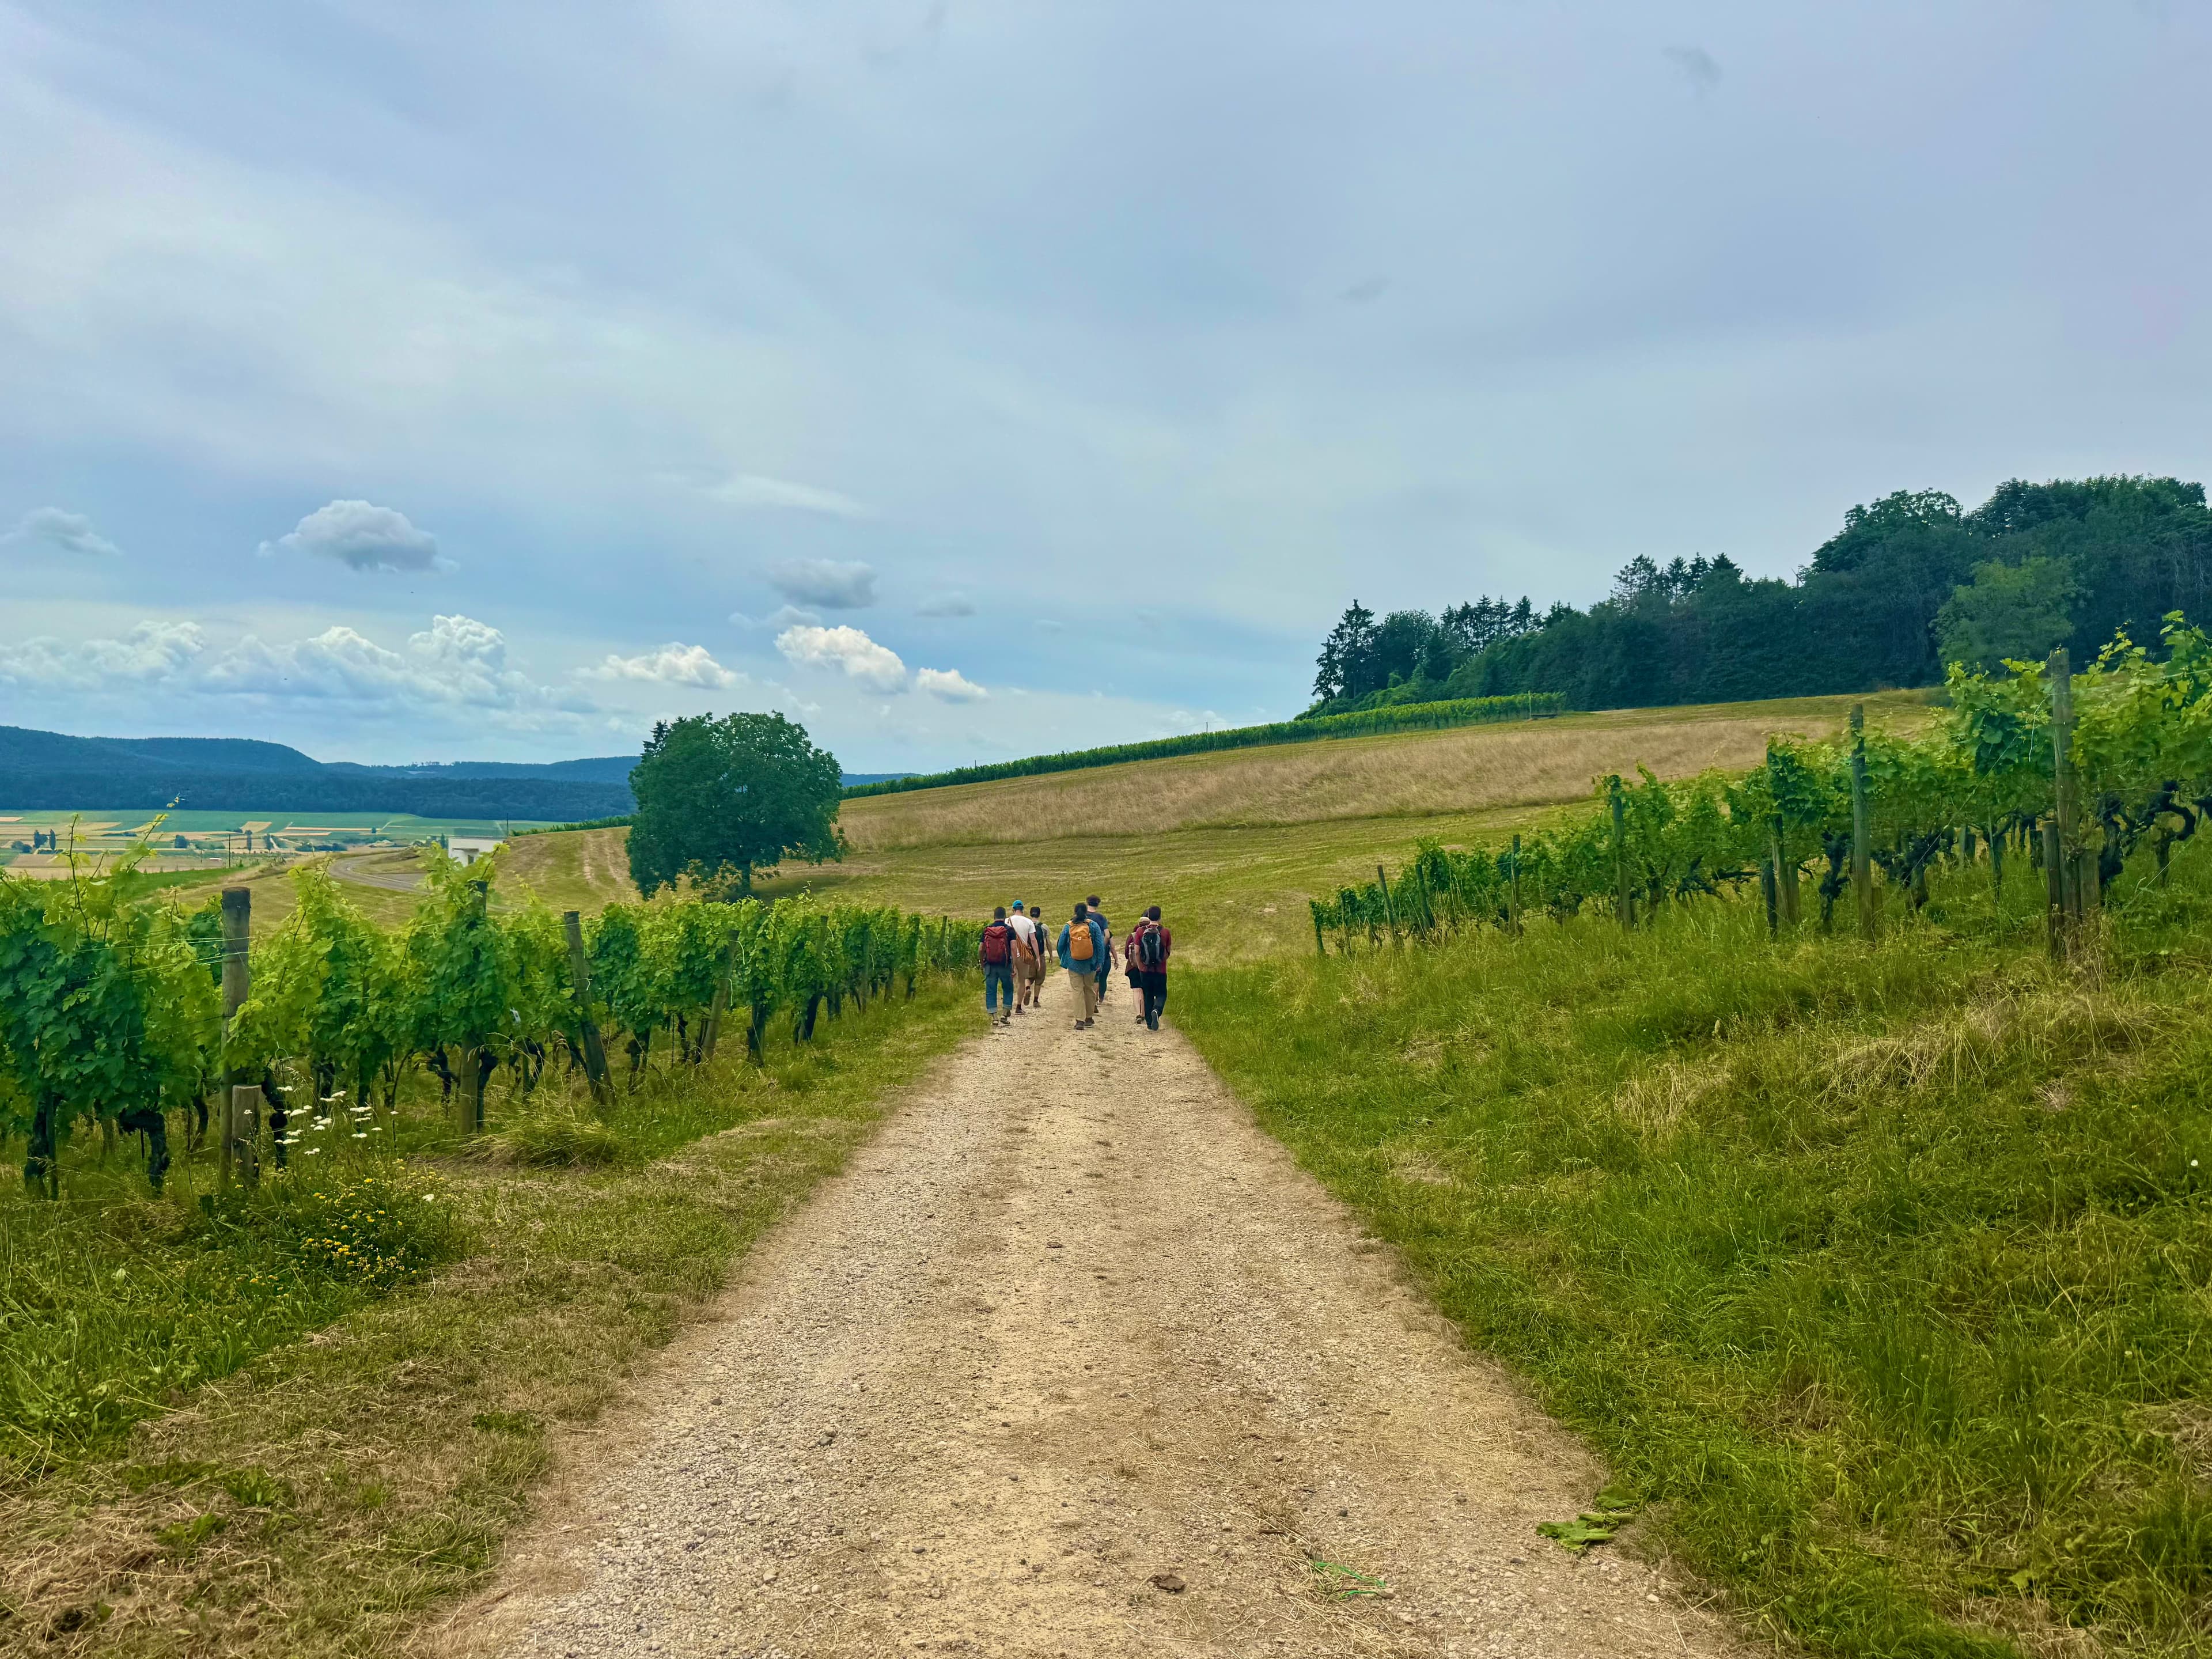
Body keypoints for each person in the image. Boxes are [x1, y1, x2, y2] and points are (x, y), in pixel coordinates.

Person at [1056, 901, 1108, 1029]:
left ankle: (1080, 1020)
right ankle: (1089, 1017)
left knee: (1077, 990)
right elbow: (1100, 946)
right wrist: (1100, 962)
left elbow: (1060, 945)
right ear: (1086, 912)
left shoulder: (1068, 926)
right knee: (1089, 989)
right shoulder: (1093, 925)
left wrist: (1064, 958)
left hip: (1073, 962)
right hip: (1091, 963)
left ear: (1075, 912)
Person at [1132, 905, 1172, 1031]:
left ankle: (1150, 1023)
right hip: (1160, 970)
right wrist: (1161, 961)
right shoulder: (1165, 932)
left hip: (1145, 970)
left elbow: (1137, 952)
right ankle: (1157, 1010)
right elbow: (1168, 952)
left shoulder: (1140, 932)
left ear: (1148, 916)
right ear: (1160, 917)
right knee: (1161, 994)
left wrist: (1141, 966)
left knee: (1148, 995)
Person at [979, 906, 1017, 1025]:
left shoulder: (987, 930)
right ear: (1005, 916)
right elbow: (1013, 948)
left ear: (994, 916)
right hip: (1005, 964)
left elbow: (981, 948)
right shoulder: (1009, 930)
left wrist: (982, 963)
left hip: (990, 965)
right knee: (1008, 988)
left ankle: (994, 1018)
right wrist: (1015, 966)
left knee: (991, 990)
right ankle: (1004, 1014)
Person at [1006, 902, 1040, 1017]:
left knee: (1009, 982)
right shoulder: (1028, 922)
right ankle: (1019, 1007)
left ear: (1013, 909)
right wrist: (1038, 957)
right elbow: (1033, 940)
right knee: (1022, 981)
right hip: (1023, 956)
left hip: (1010, 955)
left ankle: (1007, 1006)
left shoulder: (1007, 921)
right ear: (1023, 909)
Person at [1086, 895, 1112, 1007]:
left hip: (1082, 949)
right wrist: (1101, 947)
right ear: (1098, 904)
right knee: (1096, 977)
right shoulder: (1101, 918)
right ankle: (1094, 1001)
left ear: (1087, 902)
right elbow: (1107, 935)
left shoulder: (1081, 915)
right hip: (1095, 951)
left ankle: (1085, 1001)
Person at [1123, 914, 1146, 1025]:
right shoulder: (1154, 934)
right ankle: (1144, 1014)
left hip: (1133, 967)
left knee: (1137, 991)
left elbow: (1126, 954)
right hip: (1147, 967)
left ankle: (1138, 1013)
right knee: (1145, 991)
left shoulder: (1133, 935)